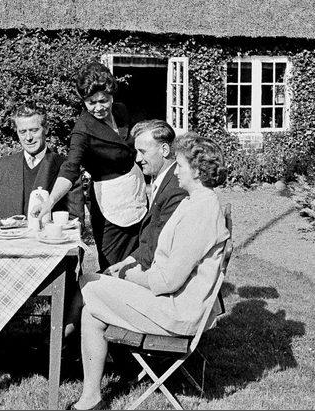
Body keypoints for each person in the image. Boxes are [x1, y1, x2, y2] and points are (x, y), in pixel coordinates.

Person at [68, 133, 230, 411]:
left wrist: (130, 276)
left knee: (91, 285)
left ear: (197, 171)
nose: (175, 171)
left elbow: (167, 281)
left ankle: (61, 346)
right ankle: (90, 396)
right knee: (92, 302)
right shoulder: (196, 202)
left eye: (180, 165)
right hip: (173, 301)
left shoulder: (201, 210)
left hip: (178, 312)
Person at [34, 62, 147, 271]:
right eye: (91, 102)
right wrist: (50, 202)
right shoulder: (83, 129)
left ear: (111, 95)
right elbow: (70, 168)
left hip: (136, 191)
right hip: (109, 200)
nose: (98, 107)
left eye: (103, 100)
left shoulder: (121, 111)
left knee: (141, 256)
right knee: (113, 263)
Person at [104, 120, 186, 278]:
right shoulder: (164, 180)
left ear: (164, 150)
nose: (137, 159)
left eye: (143, 152)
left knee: (87, 285)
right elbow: (151, 239)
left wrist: (125, 271)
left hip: (160, 278)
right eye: (137, 152)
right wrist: (127, 261)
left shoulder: (176, 189)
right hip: (151, 269)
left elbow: (161, 247)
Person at [0, 103, 81, 221]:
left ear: (46, 129)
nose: (28, 137)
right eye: (22, 132)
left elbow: (75, 221)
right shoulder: (0, 167)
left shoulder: (67, 168)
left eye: (34, 130)